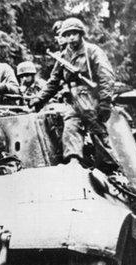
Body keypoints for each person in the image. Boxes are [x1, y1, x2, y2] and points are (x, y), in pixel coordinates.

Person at [29, 17, 115, 162]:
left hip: (90, 96)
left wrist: (105, 101)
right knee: (70, 126)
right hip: (73, 98)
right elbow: (54, 81)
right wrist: (40, 98)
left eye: (74, 34)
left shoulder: (92, 51)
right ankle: (73, 159)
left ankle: (111, 166)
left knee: (97, 130)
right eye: (67, 35)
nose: (71, 38)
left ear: (81, 34)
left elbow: (106, 76)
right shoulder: (64, 56)